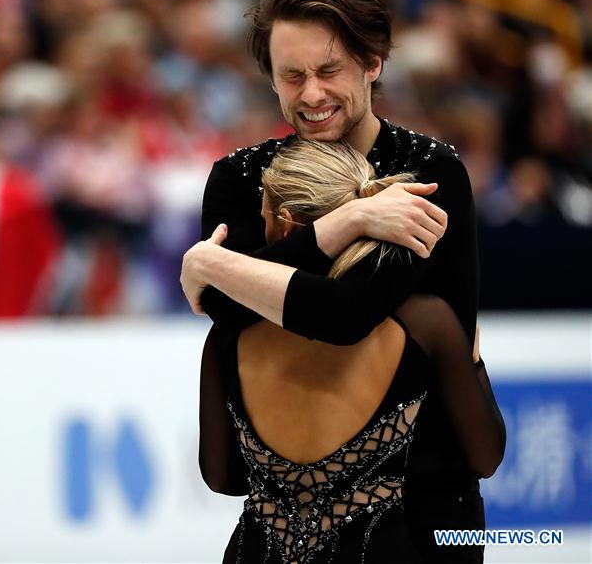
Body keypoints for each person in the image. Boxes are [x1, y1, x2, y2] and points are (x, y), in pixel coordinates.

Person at [180, 0, 486, 562]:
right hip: (279, 515)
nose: (312, 95)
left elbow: (347, 316)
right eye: (291, 76)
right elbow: (220, 308)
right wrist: (347, 225)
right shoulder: (243, 178)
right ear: (270, 77)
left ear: (373, 63)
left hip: (426, 512)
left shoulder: (428, 172)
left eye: (330, 71)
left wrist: (220, 266)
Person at [199, 139, 505, 562]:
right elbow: (485, 456)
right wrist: (472, 360)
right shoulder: (423, 322)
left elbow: (222, 478)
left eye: (264, 216)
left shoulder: (230, 331)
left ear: (285, 226)